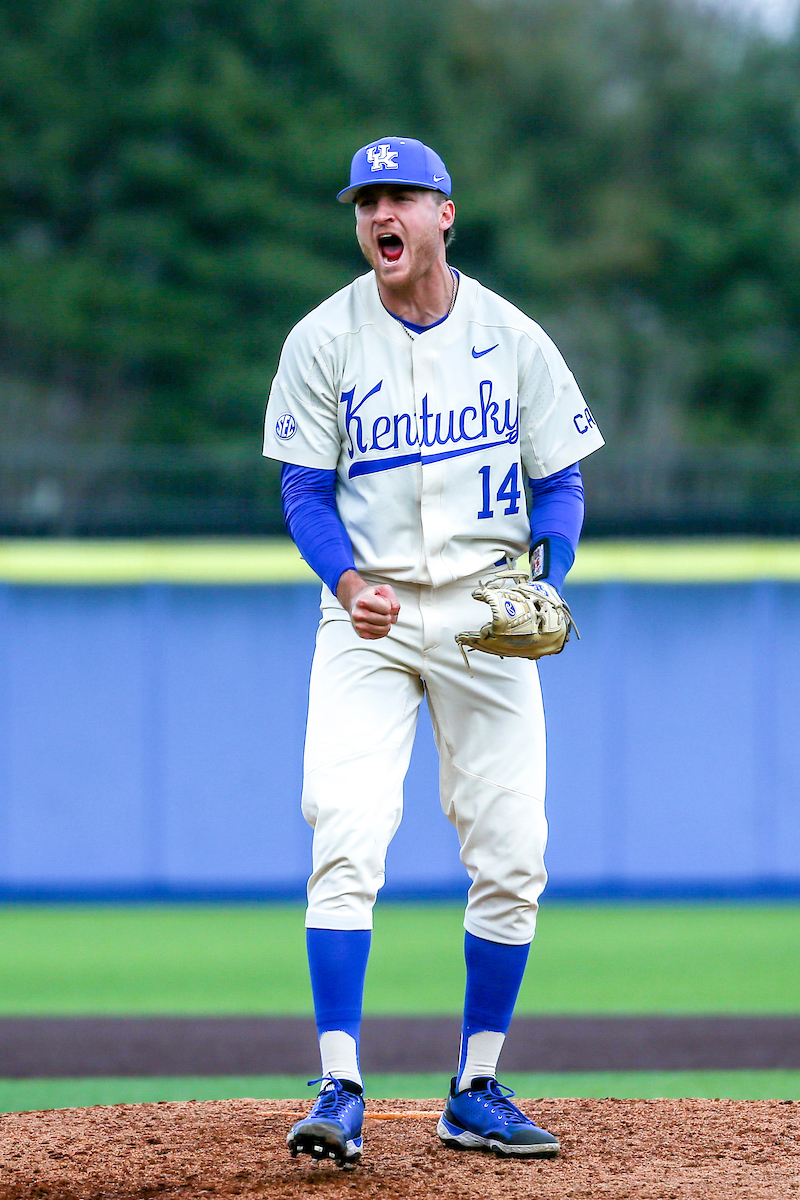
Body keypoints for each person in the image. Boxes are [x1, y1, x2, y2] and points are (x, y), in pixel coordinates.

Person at [262, 136, 604, 1167]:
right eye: (366, 199)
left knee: (511, 853)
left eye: (400, 194)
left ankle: (475, 1085)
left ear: (442, 214)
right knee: (346, 829)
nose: (380, 212)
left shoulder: (510, 337)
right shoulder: (323, 338)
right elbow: (304, 491)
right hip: (365, 617)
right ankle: (339, 1084)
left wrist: (551, 568)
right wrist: (348, 581)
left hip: (482, 614)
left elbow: (561, 481)